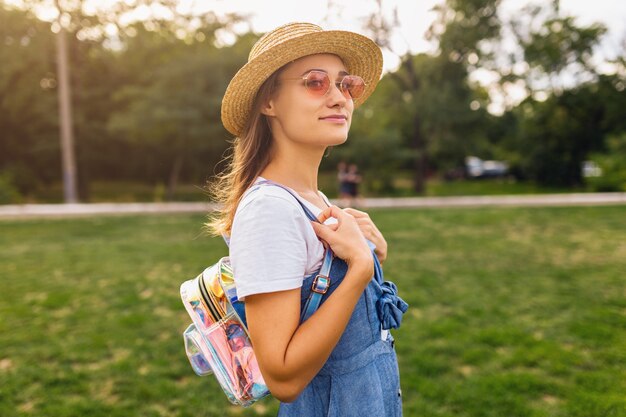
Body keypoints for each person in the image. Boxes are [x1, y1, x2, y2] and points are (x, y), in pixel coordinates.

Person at [208, 23, 408, 416]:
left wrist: (370, 254)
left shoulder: (313, 199)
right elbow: (283, 378)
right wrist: (359, 271)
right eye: (315, 82)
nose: (339, 98)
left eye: (345, 84)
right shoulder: (269, 210)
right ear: (269, 102)